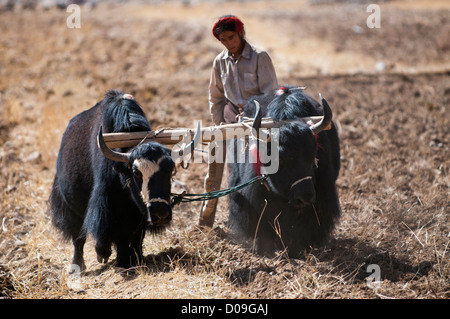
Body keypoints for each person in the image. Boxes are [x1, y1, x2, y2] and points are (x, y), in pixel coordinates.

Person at [199, 15, 278, 227]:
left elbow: (270, 95)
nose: (228, 43)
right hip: (230, 117)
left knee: (259, 168)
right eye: (222, 40)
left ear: (241, 34)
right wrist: (219, 126)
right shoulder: (219, 61)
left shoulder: (260, 58)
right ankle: (208, 221)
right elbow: (215, 96)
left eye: (231, 37)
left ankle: (266, 219)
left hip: (257, 117)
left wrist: (261, 125)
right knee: (221, 169)